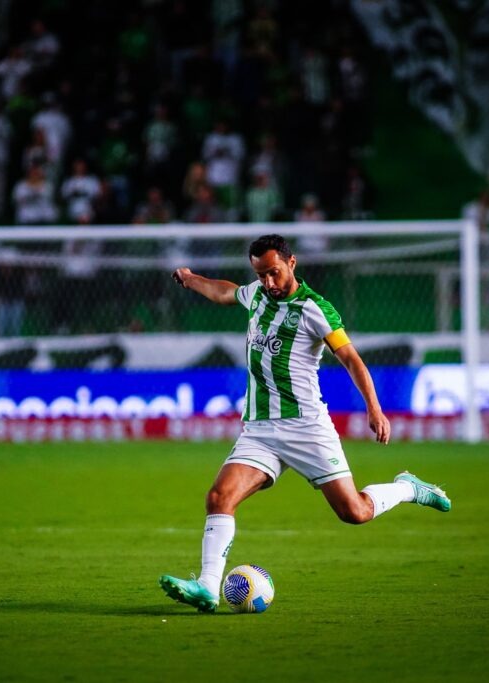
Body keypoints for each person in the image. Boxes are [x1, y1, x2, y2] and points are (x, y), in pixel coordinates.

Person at [159, 234, 451, 613]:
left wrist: (374, 408)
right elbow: (223, 292)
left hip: (307, 428)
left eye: (274, 273)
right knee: (219, 497)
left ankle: (407, 488)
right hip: (261, 430)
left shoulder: (316, 309)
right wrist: (191, 278)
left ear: (292, 263)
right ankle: (207, 587)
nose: (268, 283)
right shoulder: (258, 295)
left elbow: (352, 359)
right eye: (261, 275)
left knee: (354, 512)